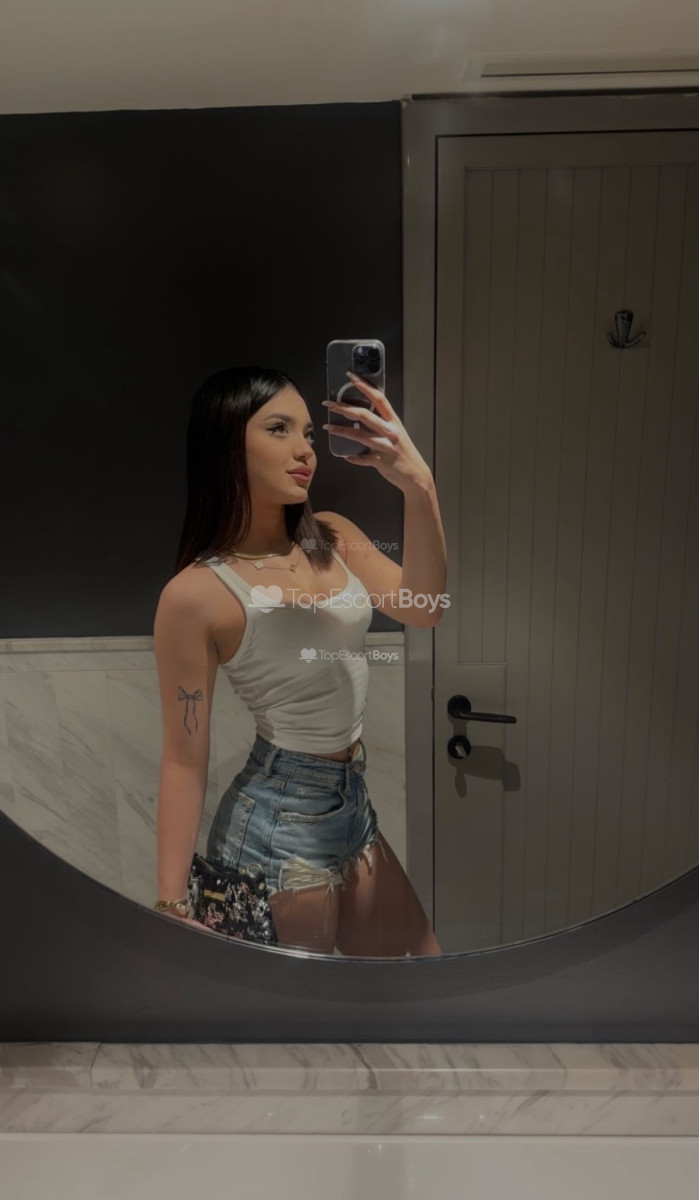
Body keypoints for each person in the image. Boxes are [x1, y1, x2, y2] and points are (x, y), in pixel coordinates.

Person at [153, 365, 447, 956]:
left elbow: (424, 607)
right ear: (226, 444)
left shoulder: (329, 537)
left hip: (352, 802)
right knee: (306, 1010)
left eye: (309, 433)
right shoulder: (196, 594)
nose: (305, 449)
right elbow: (184, 758)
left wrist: (419, 485)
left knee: (420, 976)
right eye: (279, 429)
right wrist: (170, 902)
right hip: (274, 823)